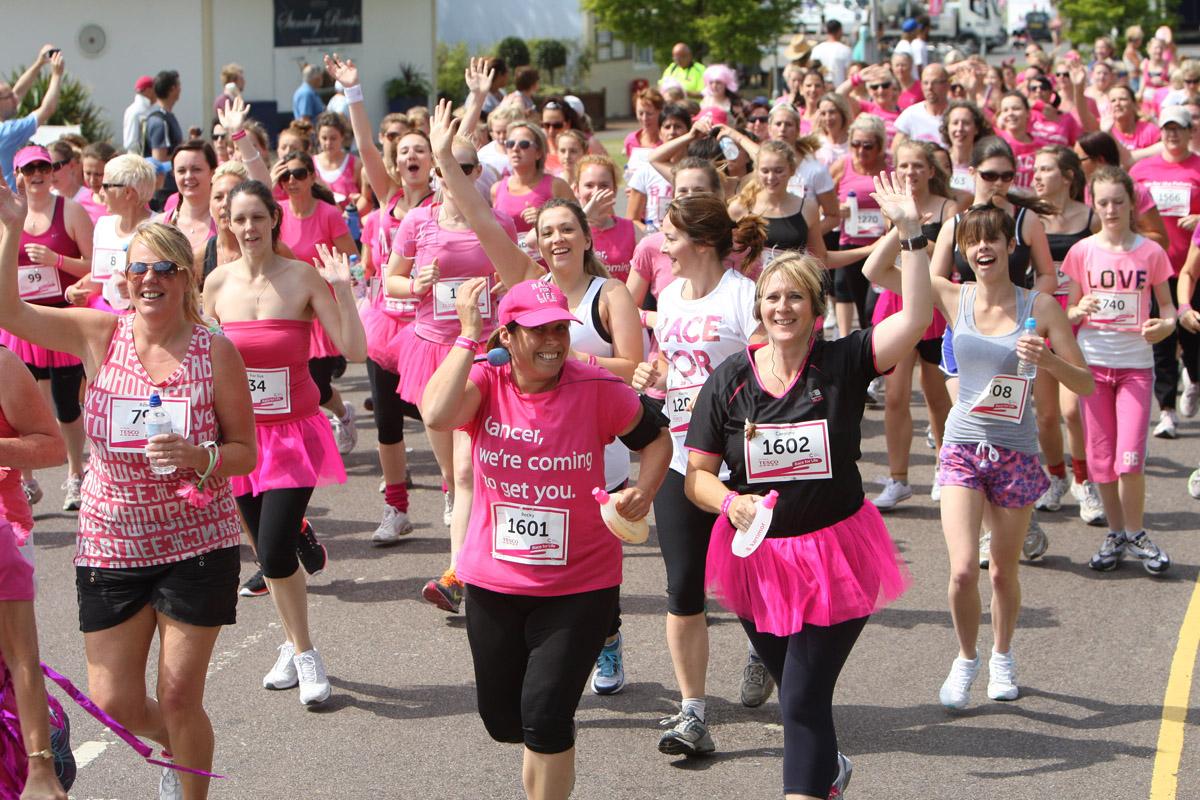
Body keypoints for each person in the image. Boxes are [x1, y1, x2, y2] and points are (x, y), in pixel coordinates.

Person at [0, 178, 257, 797]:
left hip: (196, 542)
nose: (149, 279)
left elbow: (246, 452)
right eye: (138, 268)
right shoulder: (99, 334)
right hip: (112, 544)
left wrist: (200, 455)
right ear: (124, 278)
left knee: (177, 693)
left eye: (163, 268)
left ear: (186, 278)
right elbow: (9, 312)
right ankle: (181, 744)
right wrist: (11, 231)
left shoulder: (214, 352)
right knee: (112, 701)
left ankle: (188, 777)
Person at [686, 171, 927, 799]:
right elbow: (698, 477)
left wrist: (912, 239)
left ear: (817, 311)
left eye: (797, 298)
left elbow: (919, 317)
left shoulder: (843, 361)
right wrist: (731, 502)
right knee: (799, 689)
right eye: (772, 299)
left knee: (798, 698)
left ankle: (807, 786)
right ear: (759, 308)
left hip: (835, 553)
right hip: (756, 559)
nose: (783, 309)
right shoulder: (731, 379)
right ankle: (830, 773)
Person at [421, 271, 669, 800]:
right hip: (494, 580)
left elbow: (658, 441)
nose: (554, 342)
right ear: (507, 336)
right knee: (504, 721)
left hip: (580, 584)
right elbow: (436, 413)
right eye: (538, 331)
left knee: (545, 717)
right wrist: (467, 336)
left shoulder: (599, 388)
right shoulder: (485, 384)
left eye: (560, 329)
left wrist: (644, 492)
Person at [888, 201, 1093, 710]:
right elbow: (875, 271)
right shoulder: (951, 295)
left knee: (1002, 571)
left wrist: (1047, 359)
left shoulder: (1039, 307)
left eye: (992, 239)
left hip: (1017, 453)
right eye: (972, 240)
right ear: (961, 251)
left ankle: (1002, 655)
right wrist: (907, 226)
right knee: (962, 570)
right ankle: (966, 658)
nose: (983, 247)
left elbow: (1085, 381)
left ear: (1009, 247)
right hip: (961, 446)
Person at [204, 180, 365, 707]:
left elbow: (354, 351)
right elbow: (203, 359)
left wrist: (343, 288)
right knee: (264, 549)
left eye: (257, 218)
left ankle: (307, 655)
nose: (248, 228)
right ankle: (293, 641)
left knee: (273, 551)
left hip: (293, 434)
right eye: (239, 219)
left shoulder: (300, 278)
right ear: (226, 223)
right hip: (241, 437)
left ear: (274, 220)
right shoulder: (216, 284)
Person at [629, 192, 767, 757]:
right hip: (684, 460)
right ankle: (693, 714)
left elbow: (770, 367)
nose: (662, 246)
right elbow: (670, 367)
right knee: (683, 586)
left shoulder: (744, 296)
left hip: (739, 466)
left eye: (670, 235)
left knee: (751, 586)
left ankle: (765, 652)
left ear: (703, 242)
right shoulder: (669, 295)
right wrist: (651, 374)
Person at [1062, 166, 1173, 575]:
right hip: (1094, 368)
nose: (1111, 210)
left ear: (1132, 204)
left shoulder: (1150, 252)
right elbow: (1070, 309)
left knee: (1130, 460)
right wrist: (1079, 309)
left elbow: (1169, 308)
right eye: (1103, 202)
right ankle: (1116, 533)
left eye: (1118, 202)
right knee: (1102, 460)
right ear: (1094, 203)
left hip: (1135, 369)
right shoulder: (1083, 252)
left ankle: (1136, 531)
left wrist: (1165, 325)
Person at [863, 142, 956, 510]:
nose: (910, 172)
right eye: (903, 165)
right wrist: (900, 221)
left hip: (931, 303)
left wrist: (913, 227)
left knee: (937, 398)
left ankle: (942, 468)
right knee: (895, 396)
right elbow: (883, 257)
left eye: (918, 165)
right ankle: (898, 478)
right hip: (894, 301)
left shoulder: (948, 209)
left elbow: (940, 265)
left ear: (931, 170)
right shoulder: (892, 206)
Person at [1, 146, 93, 513]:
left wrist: (57, 261)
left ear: (53, 171)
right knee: (22, 407)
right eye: (29, 169)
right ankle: (25, 480)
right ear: (18, 174)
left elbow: (94, 266)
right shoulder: (8, 215)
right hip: (21, 320)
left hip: (60, 318)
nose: (37, 174)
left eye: (43, 166)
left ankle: (74, 474)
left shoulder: (69, 210)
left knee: (66, 405)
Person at [0, 343, 69, 800]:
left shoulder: (1, 363)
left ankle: (42, 759)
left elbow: (52, 446)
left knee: (12, 662)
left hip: (5, 531)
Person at [1032, 146, 1105, 526]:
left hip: (1078, 321)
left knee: (1072, 409)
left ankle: (1084, 480)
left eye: (1046, 169)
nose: (1038, 175)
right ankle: (1056, 478)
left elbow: (1108, 256)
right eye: (1037, 169)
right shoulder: (1028, 218)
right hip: (1042, 319)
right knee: (1045, 415)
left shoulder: (1090, 217)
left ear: (1068, 176)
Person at [271, 149, 360, 460]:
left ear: (311, 177)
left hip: (322, 307)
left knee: (317, 385)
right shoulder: (276, 213)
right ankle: (311, 438)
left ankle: (341, 413)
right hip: (289, 308)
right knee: (296, 383)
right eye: (285, 176)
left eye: (297, 174)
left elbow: (352, 258)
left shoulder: (328, 213)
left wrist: (349, 291)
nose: (291, 181)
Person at [1129, 107, 1200, 440]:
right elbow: (1129, 210)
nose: (1172, 135)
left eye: (1179, 129)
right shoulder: (1142, 170)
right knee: (1161, 340)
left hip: (1194, 268)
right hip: (1156, 270)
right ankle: (1167, 411)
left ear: (1190, 133)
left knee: (1193, 338)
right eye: (1167, 129)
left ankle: (1195, 377)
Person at [0, 48, 63, 189]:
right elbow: (47, 109)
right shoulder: (7, 132)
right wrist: (57, 74)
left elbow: (17, 93)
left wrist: (39, 63)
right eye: (9, 97)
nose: (15, 99)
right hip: (9, 205)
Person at [158, 142, 218, 251]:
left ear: (212, 172)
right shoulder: (159, 225)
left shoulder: (225, 224)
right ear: (174, 174)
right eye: (181, 171)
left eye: (196, 169)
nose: (189, 176)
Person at [895, 64, 952, 148]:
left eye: (935, 82)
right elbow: (896, 149)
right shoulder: (911, 114)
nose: (929, 87)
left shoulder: (956, 113)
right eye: (925, 83)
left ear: (947, 84)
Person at [811, 20, 853, 87]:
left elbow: (812, 70)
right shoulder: (846, 50)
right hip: (839, 88)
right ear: (840, 31)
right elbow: (848, 73)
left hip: (820, 88)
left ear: (827, 30)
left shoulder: (817, 49)